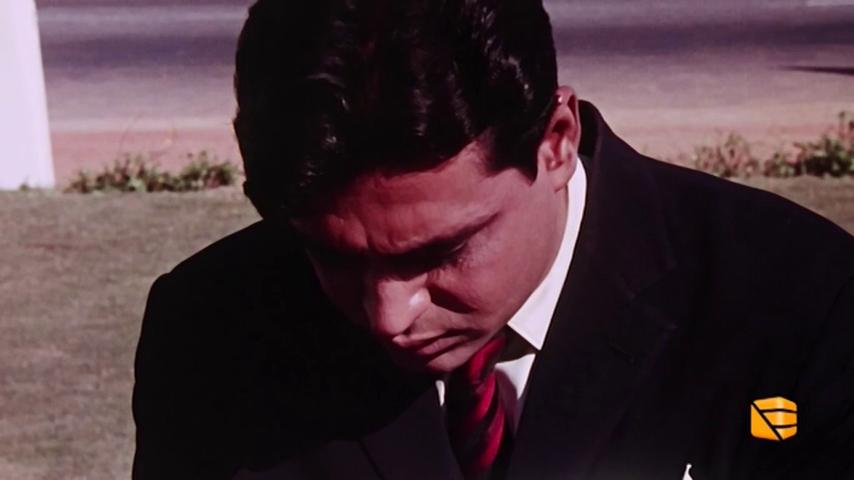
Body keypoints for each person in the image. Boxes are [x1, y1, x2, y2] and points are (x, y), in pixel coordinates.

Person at [131, 1, 854, 479]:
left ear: (556, 141)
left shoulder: (804, 307)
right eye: (333, 255)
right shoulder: (210, 328)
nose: (388, 315)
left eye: (440, 252)